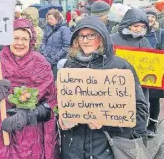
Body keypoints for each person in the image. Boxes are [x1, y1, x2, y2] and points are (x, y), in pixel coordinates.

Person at [59, 16, 149, 159]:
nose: (85, 40)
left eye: (91, 35)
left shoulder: (121, 67)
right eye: (81, 36)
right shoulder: (69, 66)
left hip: (106, 149)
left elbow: (140, 112)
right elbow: (61, 103)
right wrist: (61, 120)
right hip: (73, 149)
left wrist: (107, 122)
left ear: (101, 37)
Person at [0, 18, 59, 159]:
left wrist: (29, 116)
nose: (19, 43)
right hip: (1, 135)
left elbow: (51, 104)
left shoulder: (41, 65)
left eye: (24, 39)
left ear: (31, 41)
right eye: (15, 38)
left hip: (32, 138)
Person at [110, 8, 152, 103]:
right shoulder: (112, 39)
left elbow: (151, 62)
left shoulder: (144, 41)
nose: (139, 29)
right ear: (128, 25)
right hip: (117, 84)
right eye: (136, 26)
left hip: (140, 87)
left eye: (142, 26)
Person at [144, 7, 164, 138]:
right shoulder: (141, 31)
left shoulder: (160, 33)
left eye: (153, 16)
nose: (150, 18)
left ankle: (152, 125)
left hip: (155, 71)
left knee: (154, 98)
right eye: (148, 16)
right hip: (141, 70)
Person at [40, 9, 71, 79]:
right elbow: (44, 42)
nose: (49, 20)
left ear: (57, 19)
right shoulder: (47, 28)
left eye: (51, 19)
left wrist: (56, 57)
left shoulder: (64, 29)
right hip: (47, 60)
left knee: (56, 81)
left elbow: (66, 46)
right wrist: (44, 53)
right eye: (48, 19)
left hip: (58, 61)